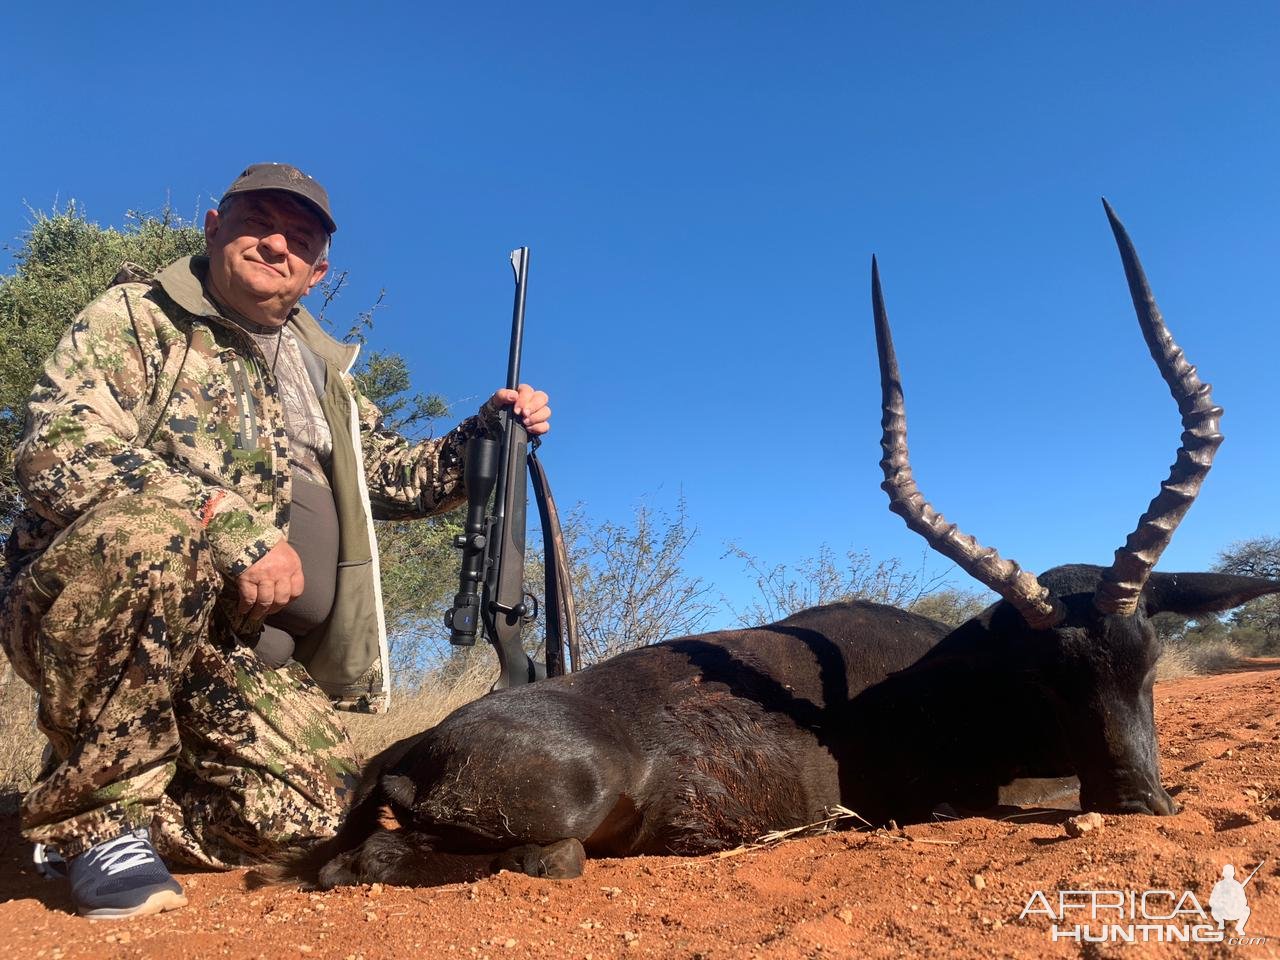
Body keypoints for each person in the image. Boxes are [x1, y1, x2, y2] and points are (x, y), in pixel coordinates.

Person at [0, 163, 551, 918]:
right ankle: (98, 819)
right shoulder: (135, 316)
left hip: (242, 652)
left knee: (325, 816)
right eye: (259, 221)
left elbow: (391, 478)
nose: (276, 243)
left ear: (319, 271)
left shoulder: (324, 371)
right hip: (109, 610)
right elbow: (57, 447)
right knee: (152, 530)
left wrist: (484, 437)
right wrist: (225, 523)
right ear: (214, 229)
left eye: (299, 238)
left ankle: (112, 813)